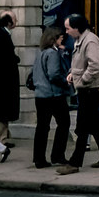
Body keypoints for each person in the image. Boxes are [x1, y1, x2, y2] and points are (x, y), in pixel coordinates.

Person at [56, 14, 99, 174]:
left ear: (77, 28)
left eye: (68, 28)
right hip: (87, 90)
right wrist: (72, 74)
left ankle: (75, 163)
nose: (66, 32)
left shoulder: (90, 41)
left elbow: (95, 66)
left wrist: (80, 80)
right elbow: (80, 63)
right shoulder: (81, 40)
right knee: (95, 126)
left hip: (90, 90)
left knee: (82, 128)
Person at [31, 25, 70, 169]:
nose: (62, 39)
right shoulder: (53, 54)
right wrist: (65, 82)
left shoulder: (41, 52)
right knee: (64, 123)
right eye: (60, 38)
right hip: (53, 94)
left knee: (42, 127)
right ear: (54, 38)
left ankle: (39, 158)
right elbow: (54, 74)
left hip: (40, 94)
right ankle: (57, 155)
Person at [0, 11, 20, 146]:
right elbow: (5, 57)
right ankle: (2, 137)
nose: (16, 22)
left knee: (4, 108)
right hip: (4, 79)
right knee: (3, 108)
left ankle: (4, 135)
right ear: (8, 22)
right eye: (14, 19)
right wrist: (15, 59)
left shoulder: (0, 33)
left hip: (2, 78)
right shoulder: (2, 35)